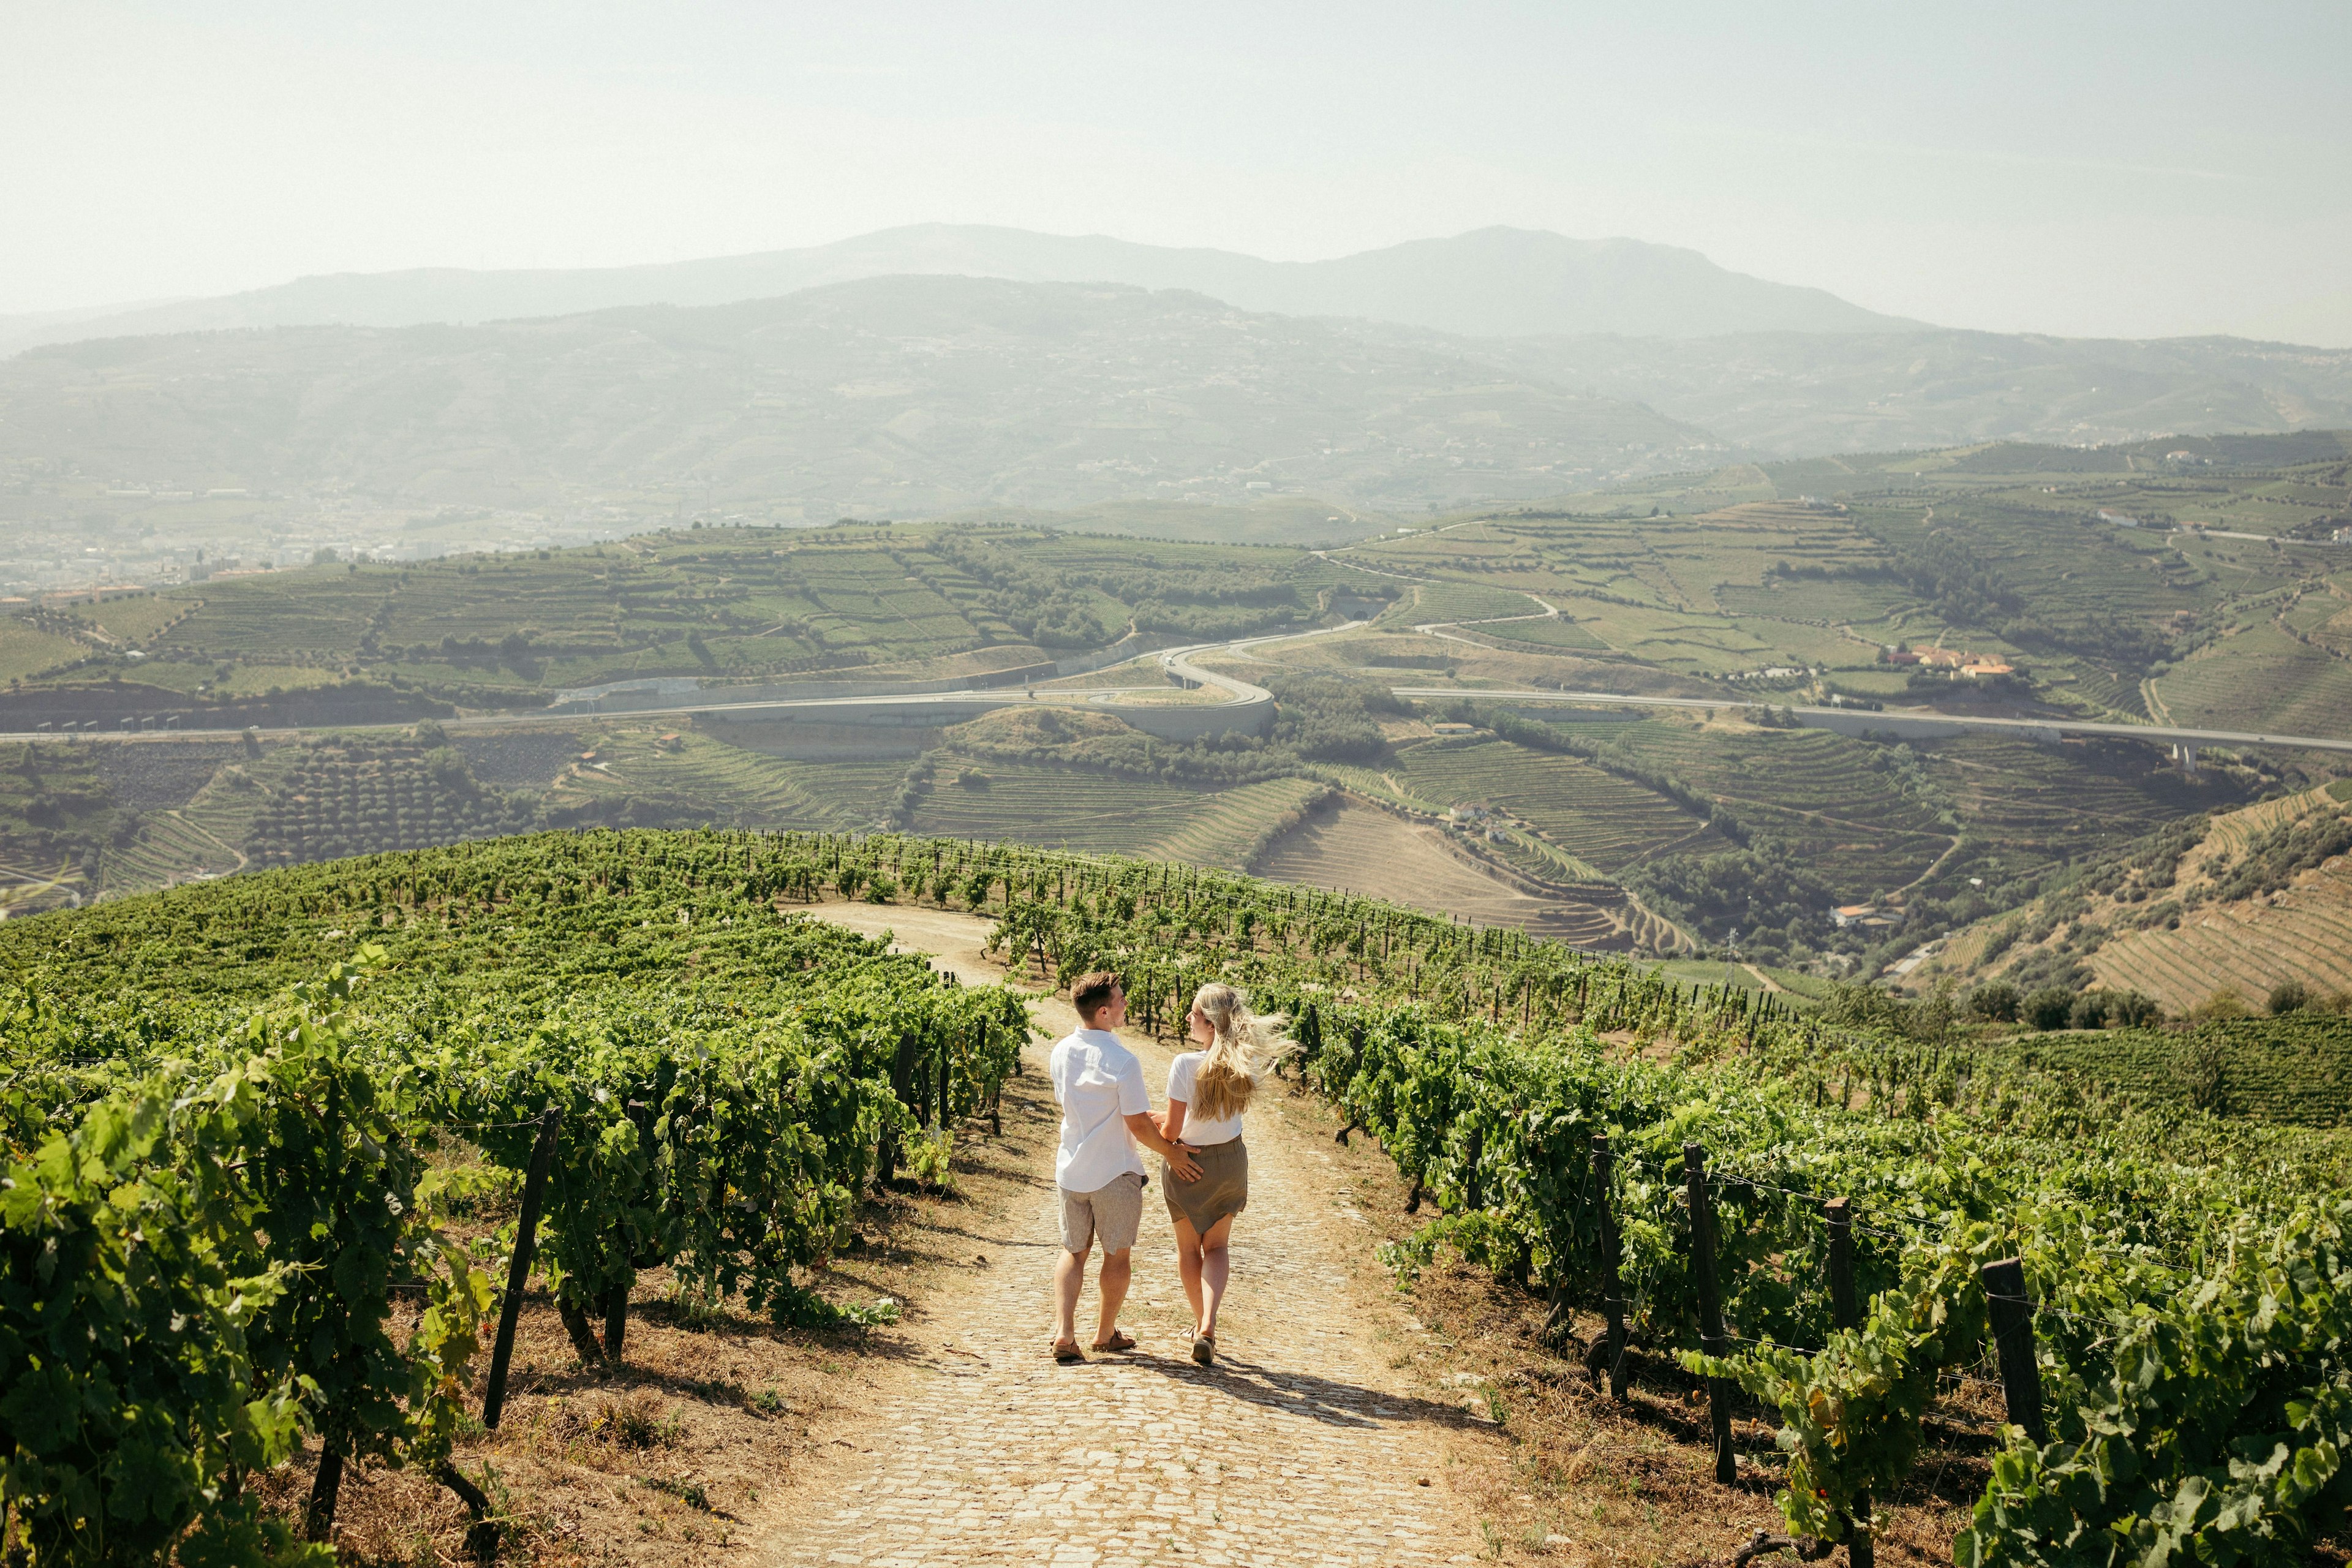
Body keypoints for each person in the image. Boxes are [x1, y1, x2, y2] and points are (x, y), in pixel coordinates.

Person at [1048, 970, 1200, 1365]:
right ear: (1103, 1011)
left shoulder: (1061, 1051)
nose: (1126, 1003)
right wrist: (1172, 1152)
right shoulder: (1123, 1061)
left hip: (1072, 1170)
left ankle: (1065, 1333)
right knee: (1116, 1256)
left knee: (1074, 1252)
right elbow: (1135, 1122)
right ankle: (1104, 1334)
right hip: (1114, 1171)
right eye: (1119, 999)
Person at [1156, 982, 1286, 1366]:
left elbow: (1173, 1132)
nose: (1187, 1019)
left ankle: (1199, 1325)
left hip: (1189, 1164)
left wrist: (1150, 1122)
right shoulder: (1242, 1066)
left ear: (1211, 1024)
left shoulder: (1184, 1064)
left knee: (1187, 1250)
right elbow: (1213, 1117)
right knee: (1217, 1248)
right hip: (1231, 1162)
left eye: (1194, 1014)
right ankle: (1209, 1326)